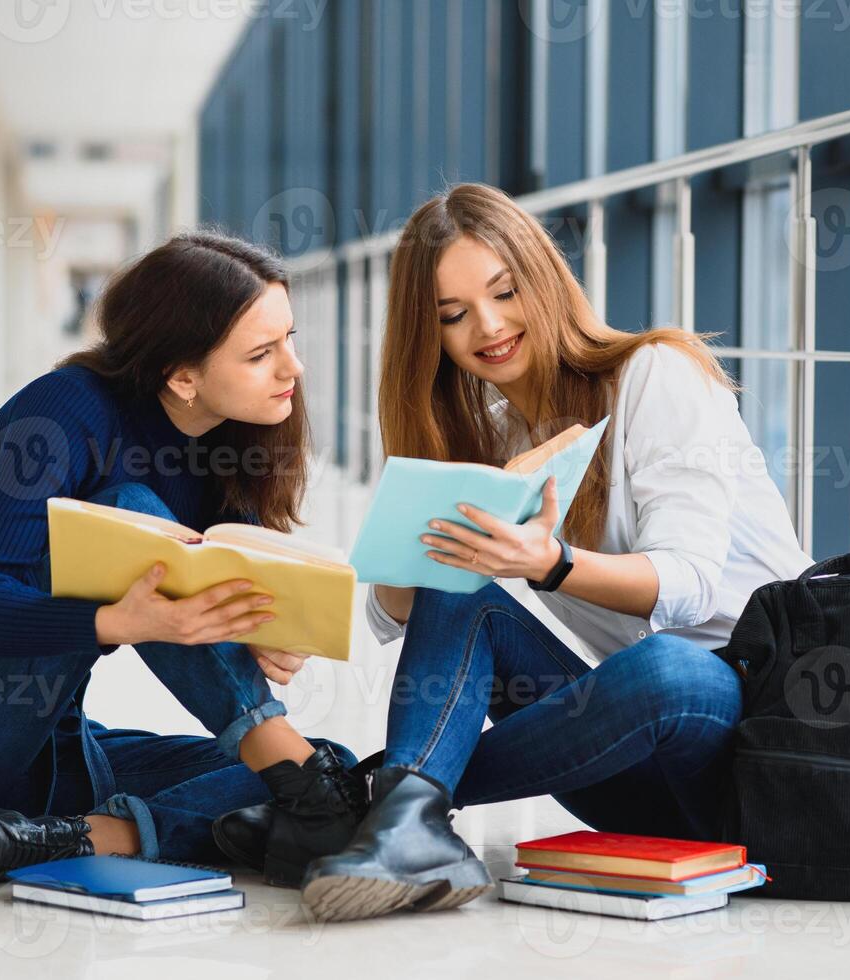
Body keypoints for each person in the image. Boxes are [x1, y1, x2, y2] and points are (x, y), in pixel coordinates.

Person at [295, 184, 814, 921]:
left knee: (669, 669)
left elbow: (691, 586)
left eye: (504, 292)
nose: (490, 326)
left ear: (542, 280)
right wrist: (430, 546)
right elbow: (390, 616)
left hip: (749, 745)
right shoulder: (505, 444)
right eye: (453, 315)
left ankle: (378, 800)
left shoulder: (656, 376)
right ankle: (407, 821)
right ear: (430, 335)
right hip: (628, 769)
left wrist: (549, 562)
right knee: (463, 593)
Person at [0, 231, 366, 892]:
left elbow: (223, 630)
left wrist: (265, 634)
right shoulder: (61, 412)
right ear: (182, 375)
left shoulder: (230, 451)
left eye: (289, 340)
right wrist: (121, 620)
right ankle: (292, 767)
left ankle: (57, 840)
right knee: (130, 504)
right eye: (262, 354)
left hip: (48, 755)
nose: (293, 369)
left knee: (338, 768)